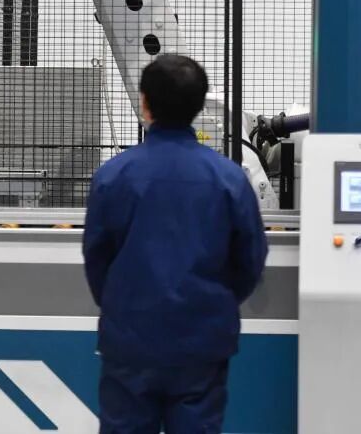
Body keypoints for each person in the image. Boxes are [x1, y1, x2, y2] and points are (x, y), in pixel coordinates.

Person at [83, 54, 268, 434]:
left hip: (130, 338)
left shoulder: (113, 176)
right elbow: (250, 258)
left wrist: (121, 305)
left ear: (144, 102)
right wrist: (215, 301)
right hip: (203, 339)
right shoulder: (229, 179)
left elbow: (97, 257)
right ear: (199, 106)